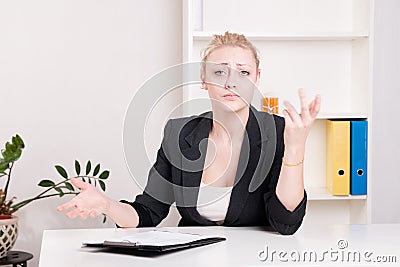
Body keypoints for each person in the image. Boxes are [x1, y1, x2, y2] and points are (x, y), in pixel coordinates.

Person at [57, 32, 321, 235]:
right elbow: (148, 212)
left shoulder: (278, 131)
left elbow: (286, 223)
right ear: (204, 80)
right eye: (220, 71)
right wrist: (107, 205)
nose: (231, 82)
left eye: (243, 72)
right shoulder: (179, 133)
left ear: (256, 78)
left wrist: (296, 148)